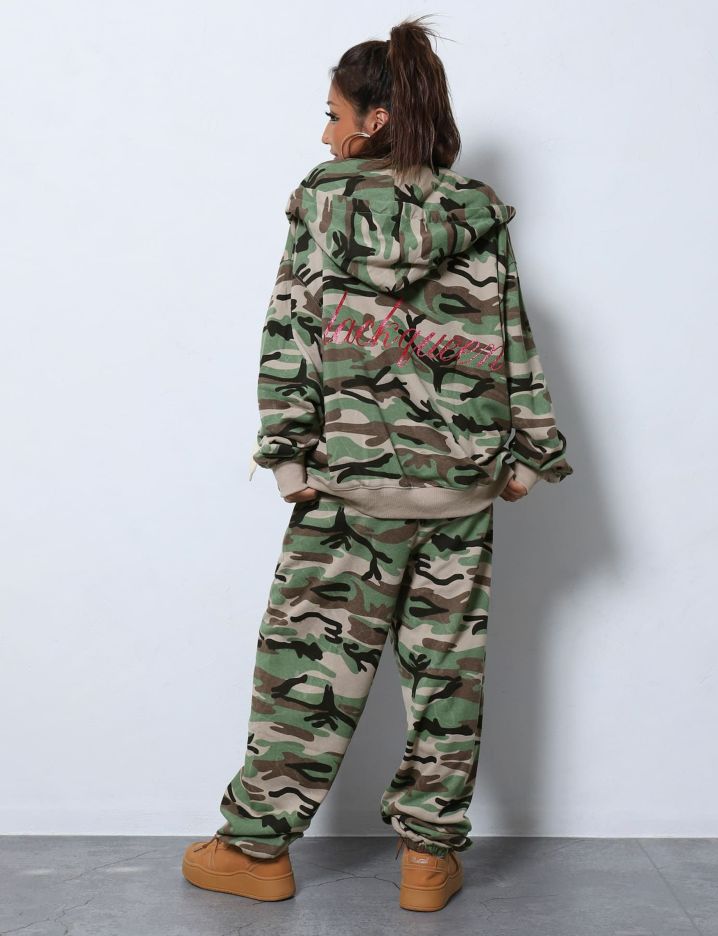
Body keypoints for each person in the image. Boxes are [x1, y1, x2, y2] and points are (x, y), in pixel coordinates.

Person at [182, 14, 573, 912]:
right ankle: (428, 862)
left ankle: (255, 850)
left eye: (333, 114)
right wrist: (528, 452)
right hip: (458, 490)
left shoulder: (319, 206)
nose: (326, 134)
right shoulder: (477, 213)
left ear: (376, 120)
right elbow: (511, 329)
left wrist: (288, 459)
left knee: (306, 668)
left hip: (349, 489)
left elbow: (290, 333)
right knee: (446, 683)